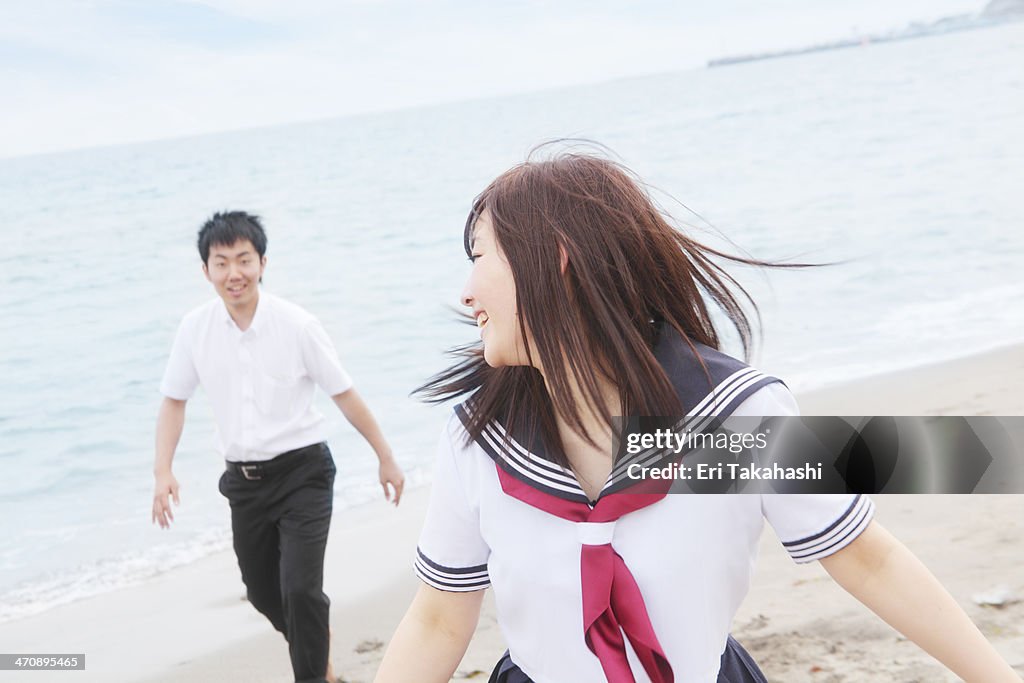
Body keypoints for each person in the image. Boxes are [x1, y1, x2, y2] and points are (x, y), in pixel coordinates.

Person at [373, 151, 1021, 683]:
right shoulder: (483, 438)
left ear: (557, 256)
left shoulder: (726, 424)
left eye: (478, 256)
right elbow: (437, 618)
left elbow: (867, 559)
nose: (464, 292)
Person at [152, 211, 405, 683]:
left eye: (244, 260)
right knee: (264, 594)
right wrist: (162, 471)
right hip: (243, 484)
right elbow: (173, 401)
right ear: (205, 270)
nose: (234, 273)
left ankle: (312, 675)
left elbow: (344, 394)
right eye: (221, 262)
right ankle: (319, 659)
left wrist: (385, 456)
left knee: (302, 592)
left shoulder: (297, 325)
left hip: (303, 474)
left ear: (263, 263)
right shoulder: (194, 330)